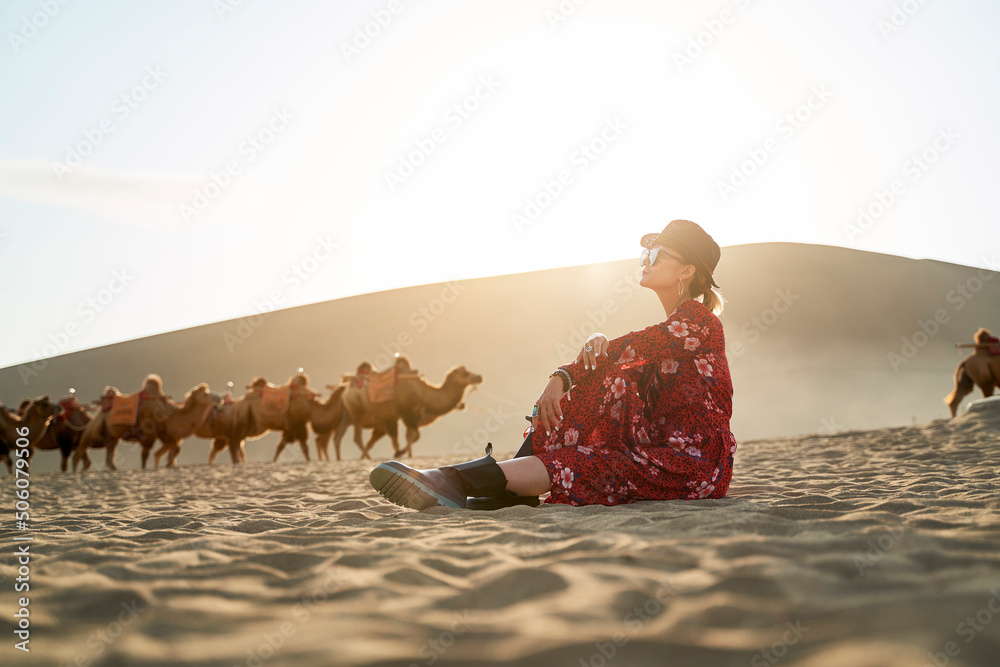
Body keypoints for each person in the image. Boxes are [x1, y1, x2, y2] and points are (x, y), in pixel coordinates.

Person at [369, 219, 737, 510]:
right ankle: (501, 489)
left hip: (691, 464)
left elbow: (633, 347)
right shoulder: (675, 326)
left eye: (656, 256)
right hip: (653, 448)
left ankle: (454, 479)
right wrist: (564, 377)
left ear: (686, 272)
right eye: (644, 255)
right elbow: (614, 364)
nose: (645, 262)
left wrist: (571, 369)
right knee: (606, 387)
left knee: (590, 460)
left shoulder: (699, 322)